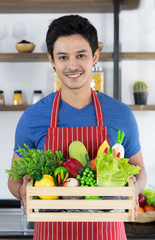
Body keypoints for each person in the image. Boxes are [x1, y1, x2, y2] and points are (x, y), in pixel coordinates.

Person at [8, 15, 147, 240]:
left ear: (95, 56)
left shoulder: (121, 114)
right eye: (63, 57)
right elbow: (14, 180)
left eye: (81, 55)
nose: (72, 66)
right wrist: (23, 191)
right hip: (51, 234)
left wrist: (134, 187)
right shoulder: (32, 117)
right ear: (52, 60)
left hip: (107, 234)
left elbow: (139, 171)